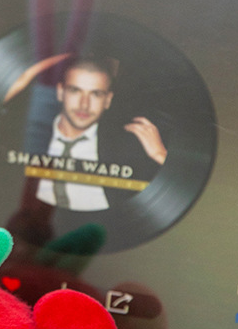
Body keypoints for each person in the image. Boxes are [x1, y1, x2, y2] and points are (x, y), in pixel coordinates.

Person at [33, 56, 167, 213]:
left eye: (96, 94)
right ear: (60, 92)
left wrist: (161, 155)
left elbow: (164, 199)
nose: (84, 104)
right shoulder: (27, 135)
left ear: (108, 100)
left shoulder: (129, 146)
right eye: (75, 91)